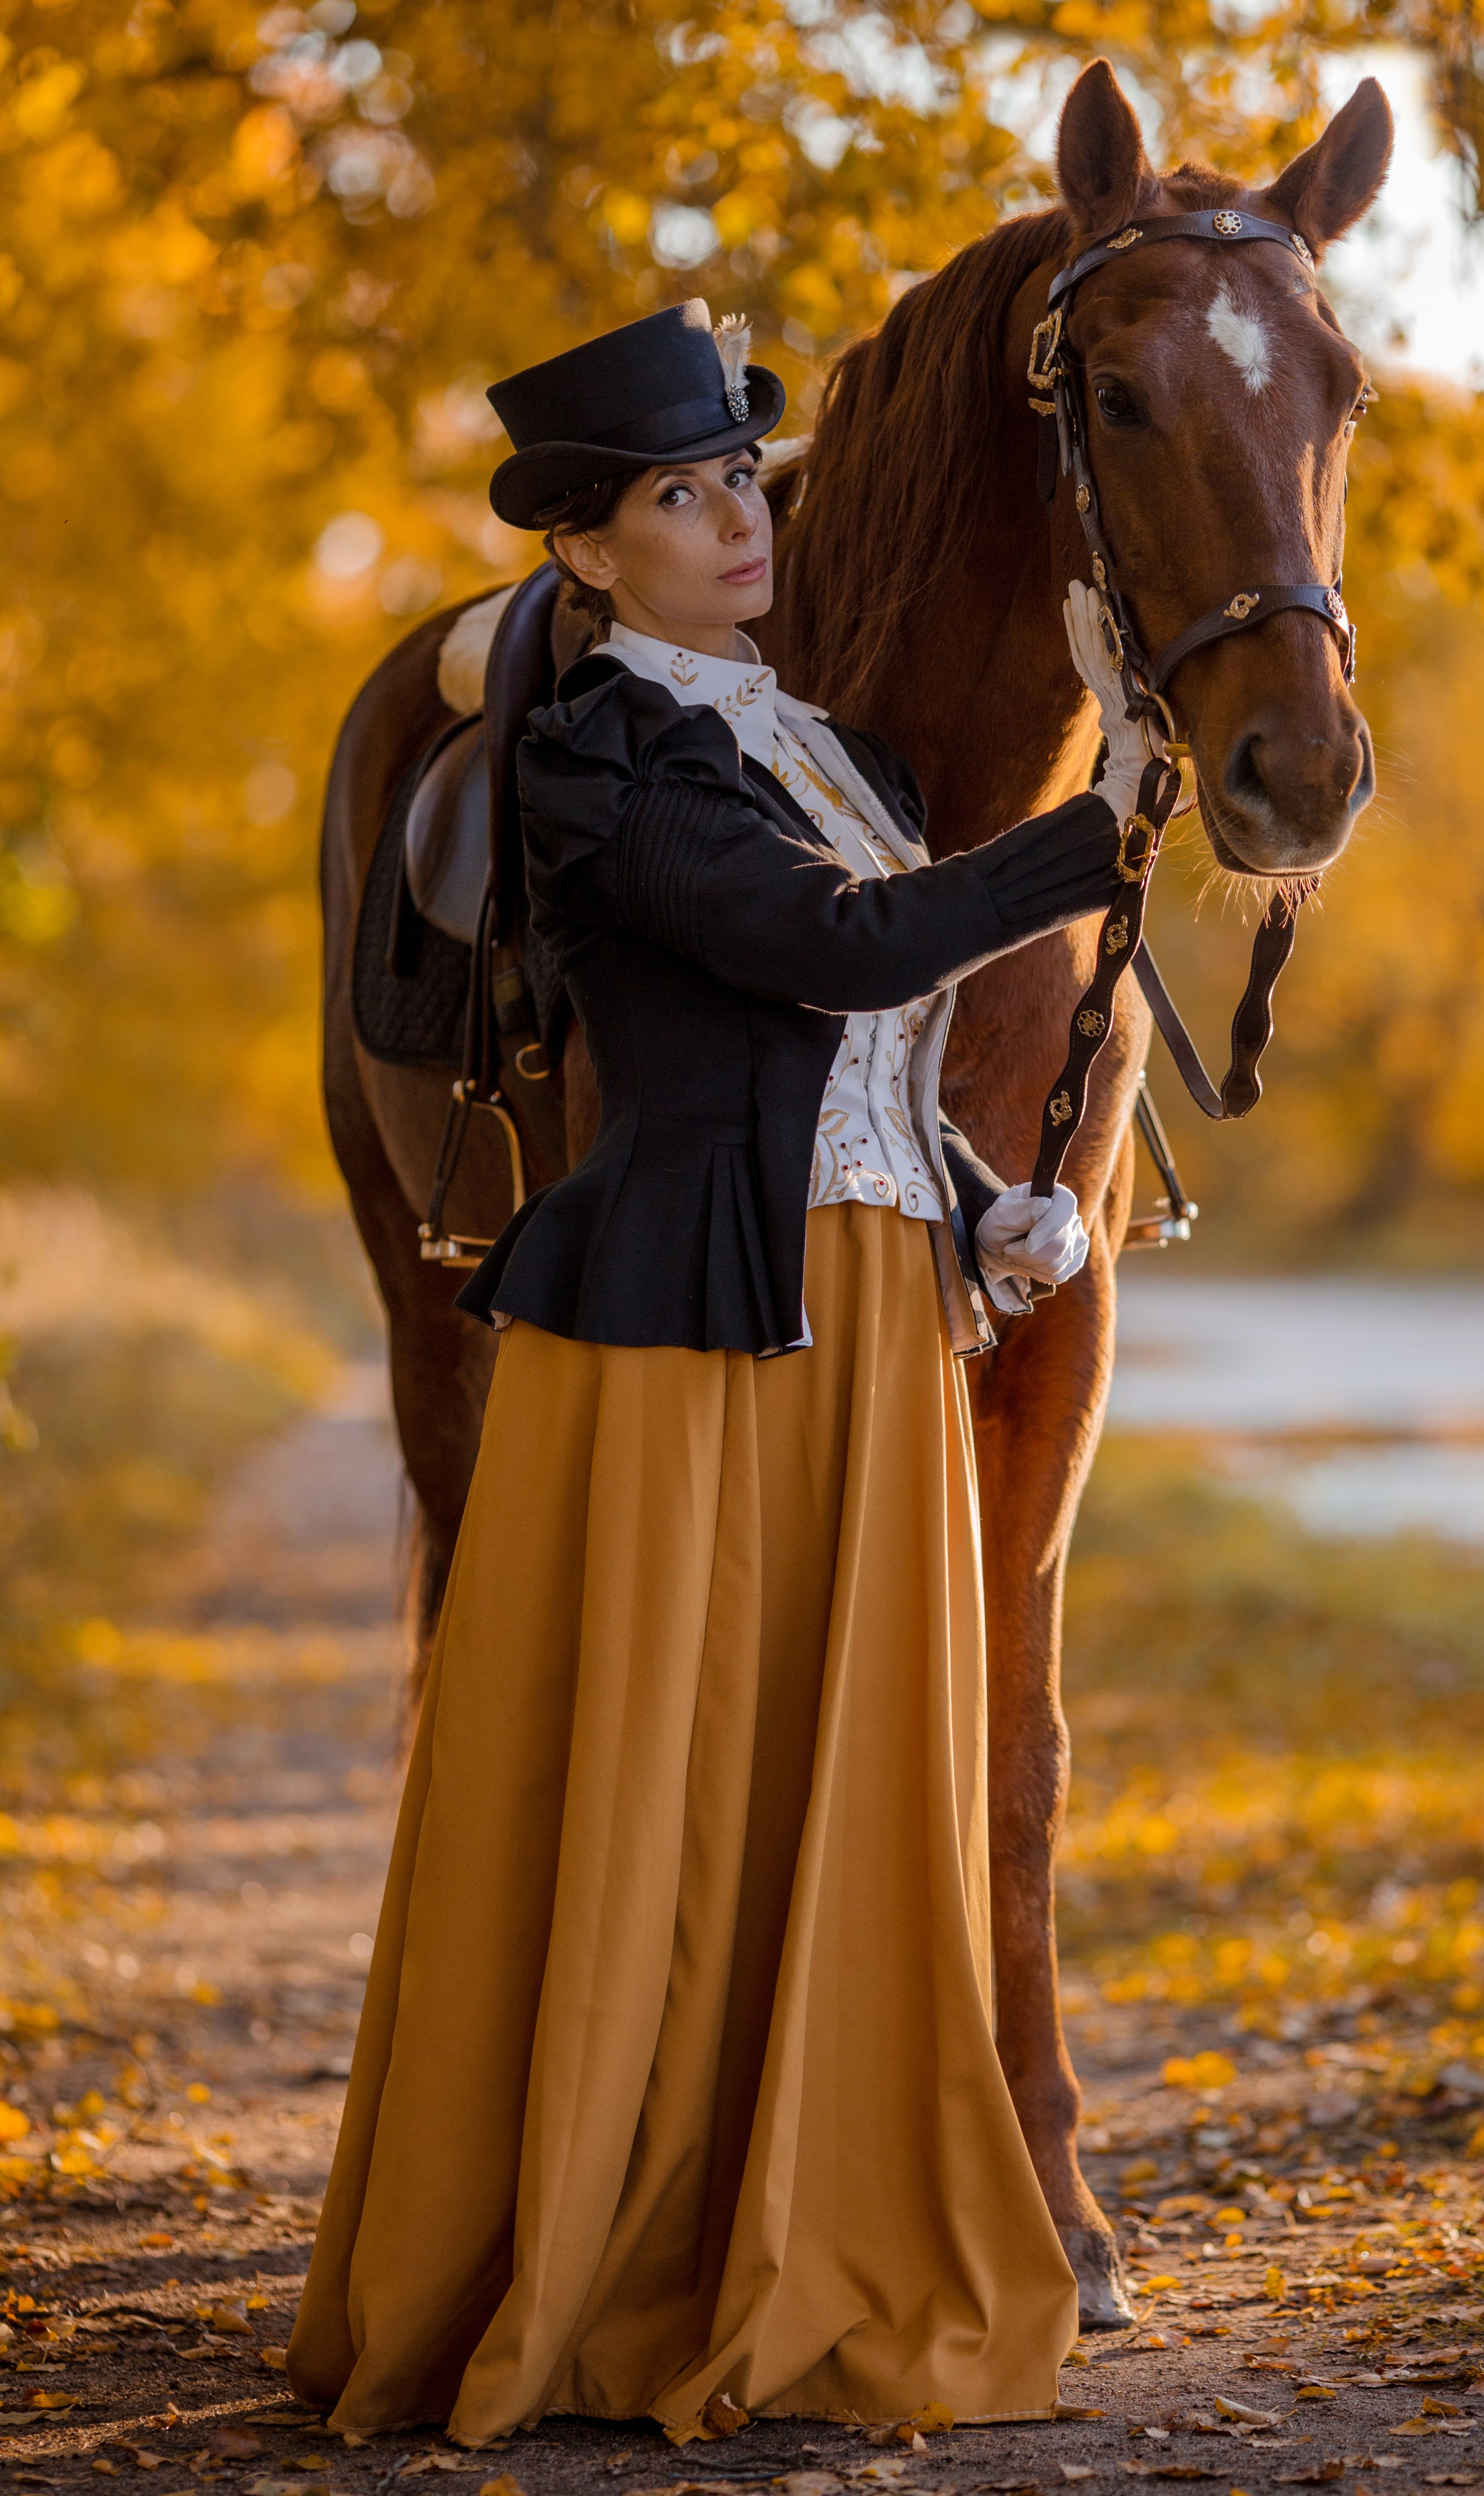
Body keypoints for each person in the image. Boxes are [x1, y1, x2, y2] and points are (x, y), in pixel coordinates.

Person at [288, 298, 1149, 2447]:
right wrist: (1099, 822)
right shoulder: (598, 763)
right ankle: (608, 2242)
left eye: (743, 476)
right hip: (685, 1323)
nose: (735, 516)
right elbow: (835, 953)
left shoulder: (827, 750)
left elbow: (860, 1057)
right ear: (590, 555)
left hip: (855, 1304)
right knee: (667, 1776)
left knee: (825, 1777)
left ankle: (825, 2211)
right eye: (681, 495)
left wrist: (977, 1201)